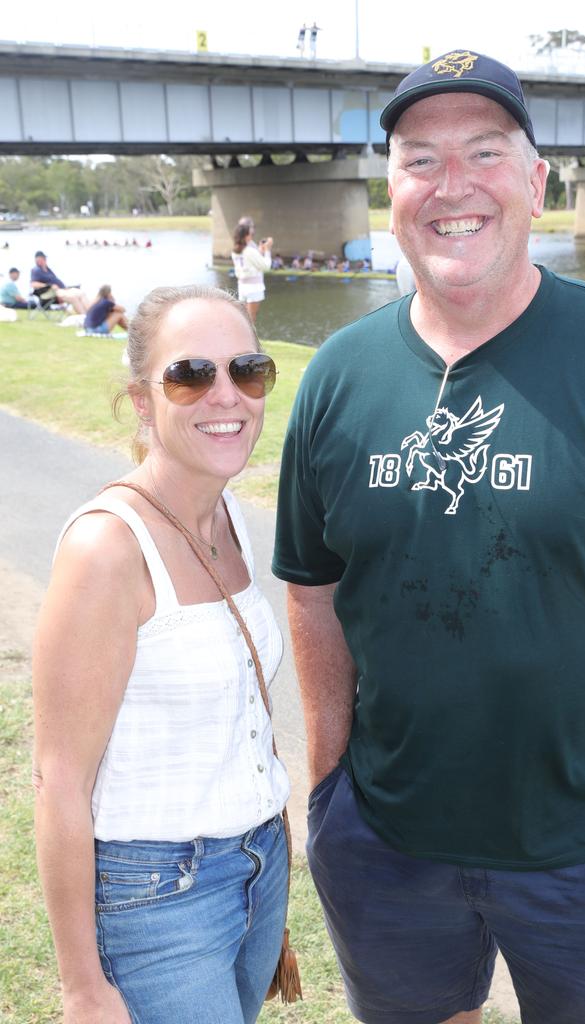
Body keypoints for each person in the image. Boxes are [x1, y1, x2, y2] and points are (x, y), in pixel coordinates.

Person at [272, 49, 585, 1024]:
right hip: (386, 847)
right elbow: (310, 588)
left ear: (538, 183)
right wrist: (327, 785)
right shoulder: (338, 374)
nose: (451, 185)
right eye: (420, 159)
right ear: (390, 191)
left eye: (485, 152)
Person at [33, 285, 290, 1023]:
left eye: (247, 370)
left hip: (257, 870)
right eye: (190, 375)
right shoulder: (107, 549)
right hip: (157, 896)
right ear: (142, 400)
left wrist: (260, 876)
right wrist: (83, 987)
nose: (227, 396)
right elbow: (58, 781)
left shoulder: (229, 513)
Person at [231, 218, 272, 323]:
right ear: (245, 236)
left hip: (242, 286)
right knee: (251, 319)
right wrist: (267, 250)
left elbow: (252, 262)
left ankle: (241, 338)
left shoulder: (235, 251)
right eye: (250, 233)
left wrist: (260, 251)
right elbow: (266, 266)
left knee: (243, 317)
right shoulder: (249, 250)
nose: (251, 235)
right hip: (254, 287)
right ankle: (248, 339)